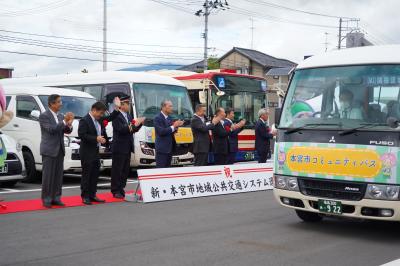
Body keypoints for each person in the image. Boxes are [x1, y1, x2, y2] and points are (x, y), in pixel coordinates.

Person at [39, 94, 74, 208]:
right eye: (59, 102)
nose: (61, 104)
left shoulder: (60, 116)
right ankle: (47, 199)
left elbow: (66, 131)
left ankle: (56, 198)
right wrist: (64, 121)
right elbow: (51, 130)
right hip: (49, 149)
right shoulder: (44, 116)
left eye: (61, 101)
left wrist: (69, 124)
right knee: (48, 176)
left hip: (59, 149)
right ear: (51, 104)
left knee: (58, 176)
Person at [111, 96, 145, 199]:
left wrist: (139, 124)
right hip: (119, 146)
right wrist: (134, 124)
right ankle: (115, 190)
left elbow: (132, 130)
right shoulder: (116, 116)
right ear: (121, 105)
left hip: (127, 146)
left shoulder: (128, 116)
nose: (129, 106)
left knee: (125, 170)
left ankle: (121, 188)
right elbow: (122, 129)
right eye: (127, 104)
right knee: (117, 169)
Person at [78, 101, 109, 205]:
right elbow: (82, 135)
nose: (101, 115)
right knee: (87, 174)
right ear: (94, 110)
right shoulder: (84, 120)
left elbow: (100, 133)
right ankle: (85, 196)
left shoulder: (98, 121)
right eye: (100, 113)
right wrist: (96, 138)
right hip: (86, 151)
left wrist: (103, 139)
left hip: (96, 151)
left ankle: (93, 194)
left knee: (95, 173)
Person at [154, 100, 184, 168]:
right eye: (170, 106)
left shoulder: (169, 118)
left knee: (167, 170)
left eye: (172, 106)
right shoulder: (157, 118)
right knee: (161, 170)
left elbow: (171, 131)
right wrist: (174, 126)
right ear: (163, 107)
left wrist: (177, 126)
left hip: (169, 149)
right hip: (162, 149)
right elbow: (161, 131)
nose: (172, 108)